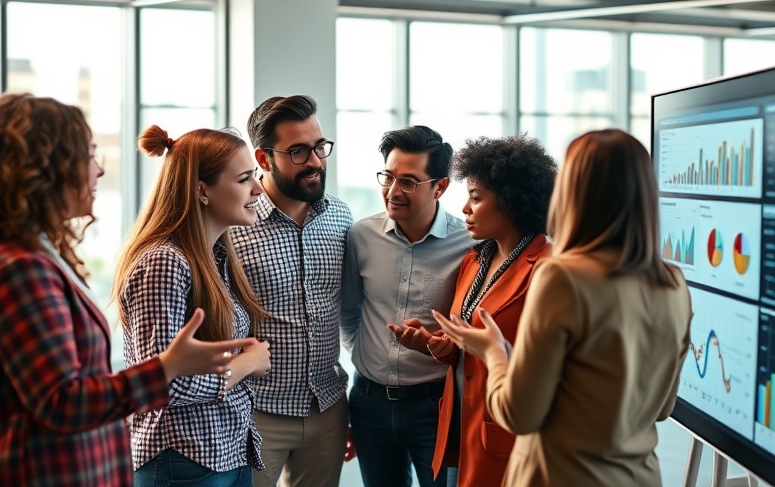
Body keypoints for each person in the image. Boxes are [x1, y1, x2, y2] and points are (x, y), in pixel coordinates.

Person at [0, 93, 246, 486]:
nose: (98, 171)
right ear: (44, 169)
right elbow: (64, 403)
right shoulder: (18, 269)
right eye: (88, 156)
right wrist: (167, 368)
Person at [434, 129, 693, 487]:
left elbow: (518, 414)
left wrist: (494, 351)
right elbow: (662, 408)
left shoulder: (560, 277)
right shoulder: (674, 284)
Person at [113, 125, 273, 486]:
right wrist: (241, 366)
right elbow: (158, 384)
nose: (258, 189)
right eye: (245, 179)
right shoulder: (164, 262)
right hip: (182, 461)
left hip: (222, 454)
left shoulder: (215, 254)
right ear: (202, 190)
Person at [230, 94, 353, 487]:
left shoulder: (340, 217)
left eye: (319, 147)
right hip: (257, 410)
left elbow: (348, 307)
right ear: (263, 159)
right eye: (298, 152)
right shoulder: (233, 227)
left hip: (328, 407)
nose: (316, 161)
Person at [340, 125, 474, 487]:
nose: (393, 191)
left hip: (434, 406)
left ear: (440, 186)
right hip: (369, 405)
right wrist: (372, 355)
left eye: (409, 182)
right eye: (388, 177)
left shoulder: (470, 245)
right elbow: (349, 314)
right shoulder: (360, 236)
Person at [420, 135, 556, 487]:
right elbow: (468, 344)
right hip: (461, 427)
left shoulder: (547, 268)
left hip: (508, 432)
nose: (465, 208)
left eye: (476, 198)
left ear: (511, 203)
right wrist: (438, 345)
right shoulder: (474, 259)